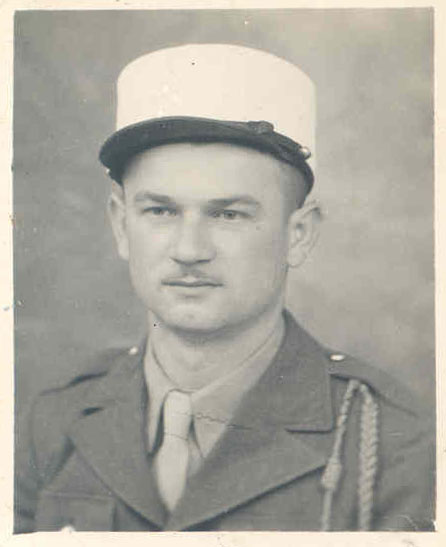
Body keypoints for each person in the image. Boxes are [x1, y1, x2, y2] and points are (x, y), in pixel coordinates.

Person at [14, 44, 434, 532]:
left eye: (229, 214)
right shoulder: (53, 422)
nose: (189, 249)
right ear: (121, 225)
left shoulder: (394, 441)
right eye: (160, 211)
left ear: (298, 234)